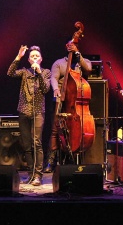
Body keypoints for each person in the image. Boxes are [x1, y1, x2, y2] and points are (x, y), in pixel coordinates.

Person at [43, 40, 92, 173]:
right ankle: (50, 161)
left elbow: (88, 69)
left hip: (75, 103)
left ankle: (72, 158)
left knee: (75, 131)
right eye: (70, 45)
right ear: (66, 46)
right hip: (60, 100)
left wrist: (77, 54)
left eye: (75, 45)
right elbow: (53, 78)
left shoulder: (84, 62)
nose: (72, 46)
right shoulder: (59, 63)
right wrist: (55, 90)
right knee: (55, 131)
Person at [7, 45, 51, 186]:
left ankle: (38, 175)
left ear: (41, 59)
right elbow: (10, 73)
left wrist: (38, 73)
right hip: (24, 111)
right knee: (26, 145)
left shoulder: (45, 72)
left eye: (36, 56)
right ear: (29, 59)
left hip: (38, 112)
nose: (34, 58)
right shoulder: (24, 72)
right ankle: (30, 174)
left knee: (37, 143)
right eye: (32, 56)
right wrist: (18, 57)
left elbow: (46, 89)